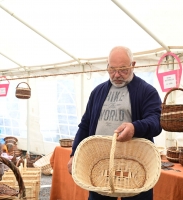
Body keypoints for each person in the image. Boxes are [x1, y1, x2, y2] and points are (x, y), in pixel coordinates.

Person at [67, 46, 162, 200]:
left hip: (134, 166)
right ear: (107, 66)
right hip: (100, 165)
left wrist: (134, 128)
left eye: (123, 70)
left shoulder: (146, 91)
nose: (117, 75)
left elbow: (156, 122)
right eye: (112, 69)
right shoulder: (98, 92)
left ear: (133, 64)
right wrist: (74, 154)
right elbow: (85, 125)